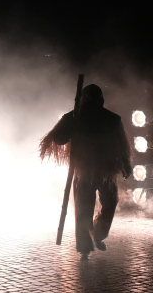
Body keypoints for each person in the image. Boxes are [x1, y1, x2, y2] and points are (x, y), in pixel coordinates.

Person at [40, 83, 131, 258]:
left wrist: (126, 164)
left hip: (105, 171)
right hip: (84, 170)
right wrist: (70, 125)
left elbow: (121, 145)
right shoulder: (75, 117)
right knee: (84, 209)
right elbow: (59, 139)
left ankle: (97, 233)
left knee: (109, 203)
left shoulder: (112, 119)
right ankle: (84, 248)